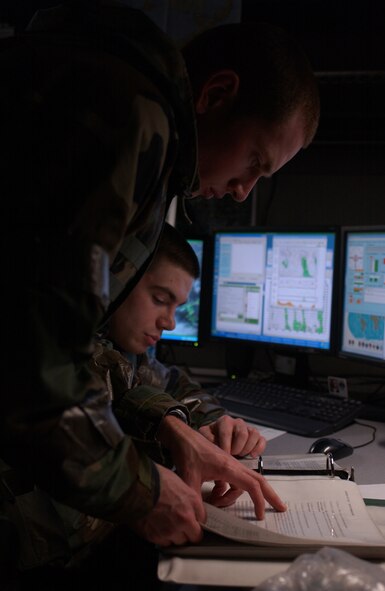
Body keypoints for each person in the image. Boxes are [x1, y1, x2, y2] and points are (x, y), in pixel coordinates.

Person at [0, 0, 319, 586]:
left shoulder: (87, 78)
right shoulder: (128, 112)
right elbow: (36, 363)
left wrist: (170, 424)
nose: (245, 192)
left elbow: (76, 338)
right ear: (216, 94)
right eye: (254, 161)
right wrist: (143, 492)